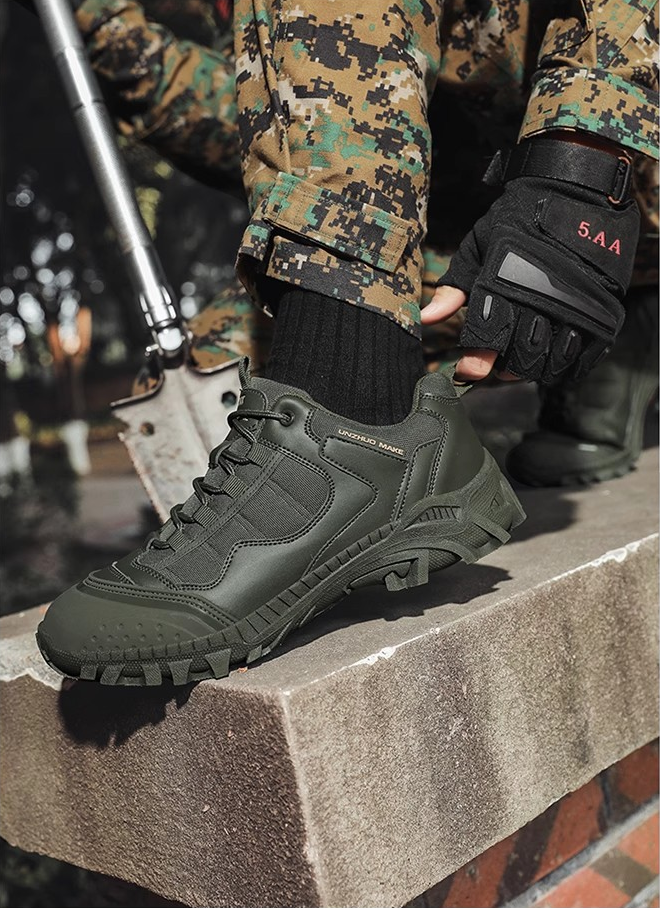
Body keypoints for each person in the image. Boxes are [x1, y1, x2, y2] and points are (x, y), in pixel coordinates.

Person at [37, 0, 658, 685]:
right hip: (467, 232)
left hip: (625, 177)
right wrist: (106, 28)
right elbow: (295, 120)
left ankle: (621, 334)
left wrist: (584, 162)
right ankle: (381, 452)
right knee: (221, 370)